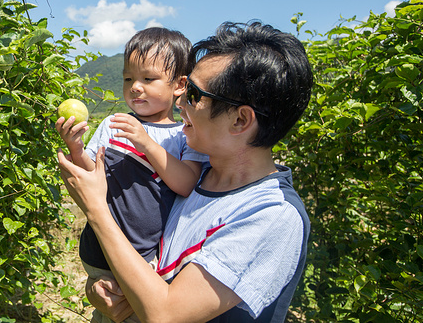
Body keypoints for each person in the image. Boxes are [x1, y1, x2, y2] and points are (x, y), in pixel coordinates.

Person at [58, 21, 313, 323]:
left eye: (193, 94)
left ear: (240, 120)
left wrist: (97, 211)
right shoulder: (199, 179)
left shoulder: (270, 214)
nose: (179, 102)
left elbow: (165, 314)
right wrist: (99, 290)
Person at [56, 27, 209, 322]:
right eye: (128, 79)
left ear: (179, 84)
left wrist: (147, 143)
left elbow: (186, 183)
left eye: (148, 79)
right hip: (98, 251)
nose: (135, 87)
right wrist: (75, 148)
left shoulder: (185, 135)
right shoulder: (114, 124)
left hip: (141, 260)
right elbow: (92, 175)